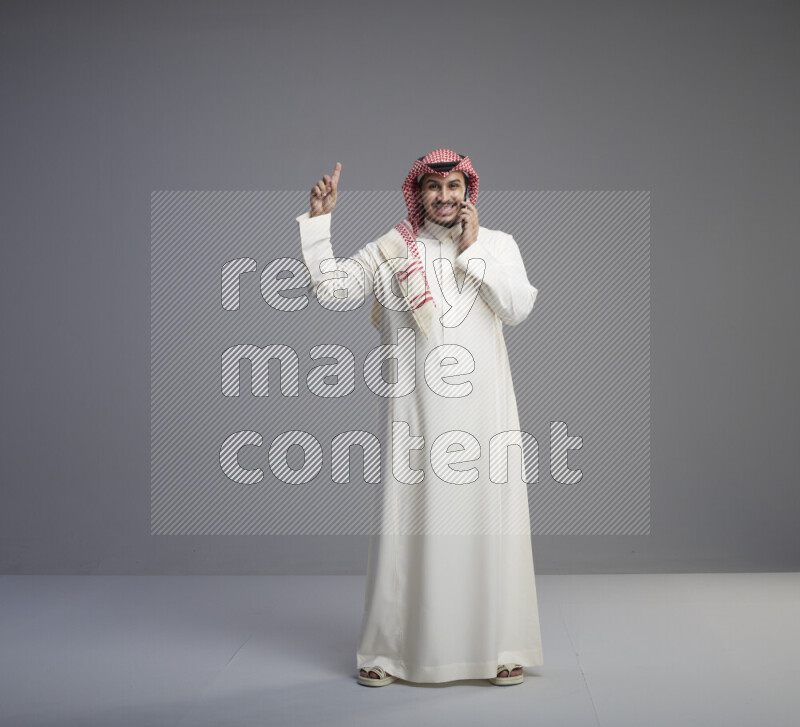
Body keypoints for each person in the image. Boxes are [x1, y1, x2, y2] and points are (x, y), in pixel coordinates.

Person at [296, 149, 543, 687]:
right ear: (418, 194)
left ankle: (499, 646)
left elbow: (518, 308)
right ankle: (387, 652)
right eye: (433, 187)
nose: (445, 196)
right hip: (414, 418)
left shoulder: (498, 245)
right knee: (407, 527)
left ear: (468, 190)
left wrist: (474, 252)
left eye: (454, 185)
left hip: (484, 419)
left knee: (487, 524)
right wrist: (320, 224)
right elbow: (335, 291)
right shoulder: (390, 252)